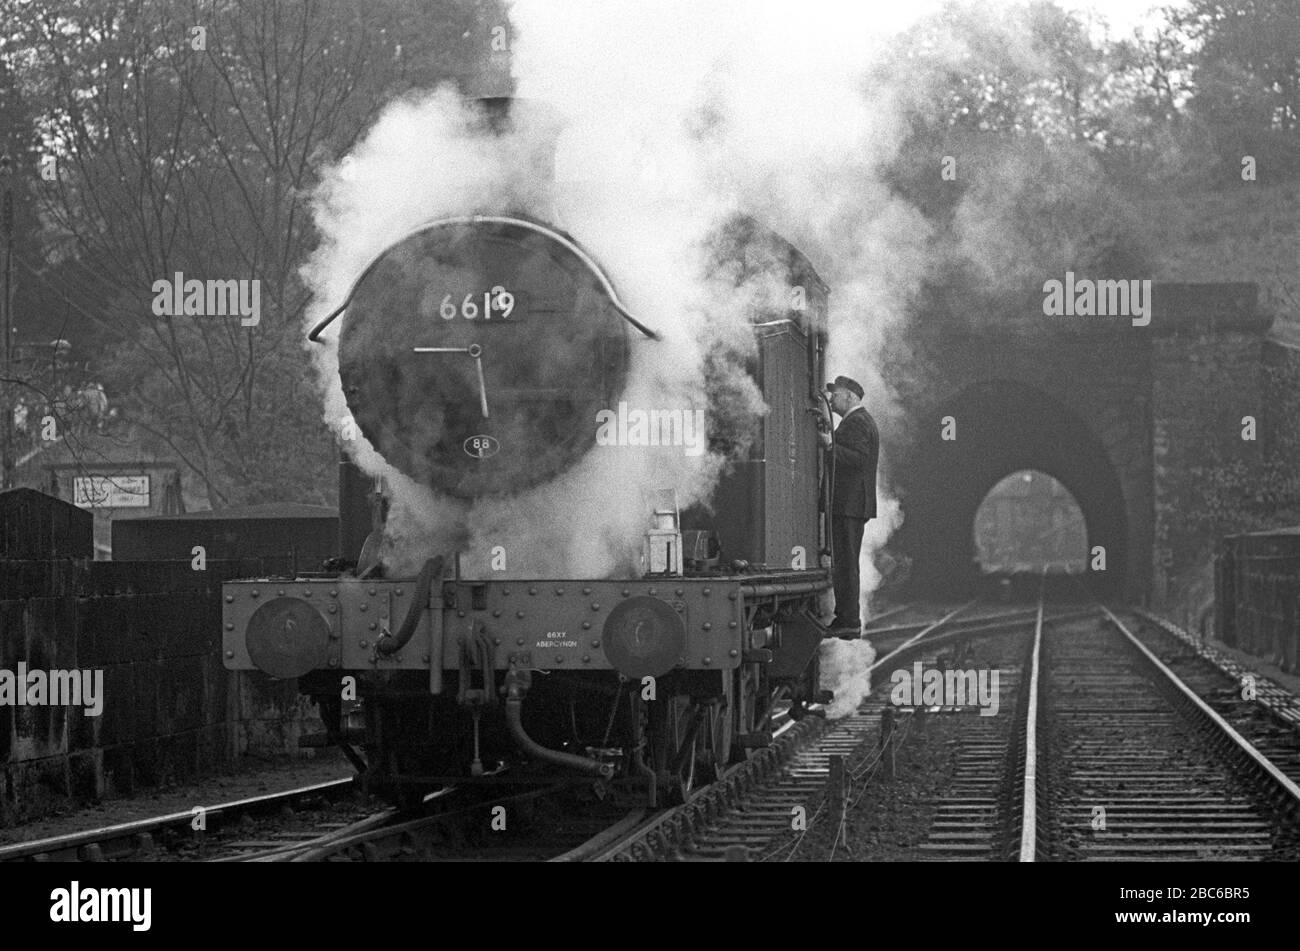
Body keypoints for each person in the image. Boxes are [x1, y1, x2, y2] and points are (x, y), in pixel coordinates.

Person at [817, 375, 879, 638]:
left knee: (846, 563)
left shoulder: (857, 422)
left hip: (849, 503)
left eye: (836, 394)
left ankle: (849, 620)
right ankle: (846, 618)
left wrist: (830, 445)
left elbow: (857, 460)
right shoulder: (858, 422)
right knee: (845, 562)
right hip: (851, 502)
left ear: (851, 396)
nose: (831, 399)